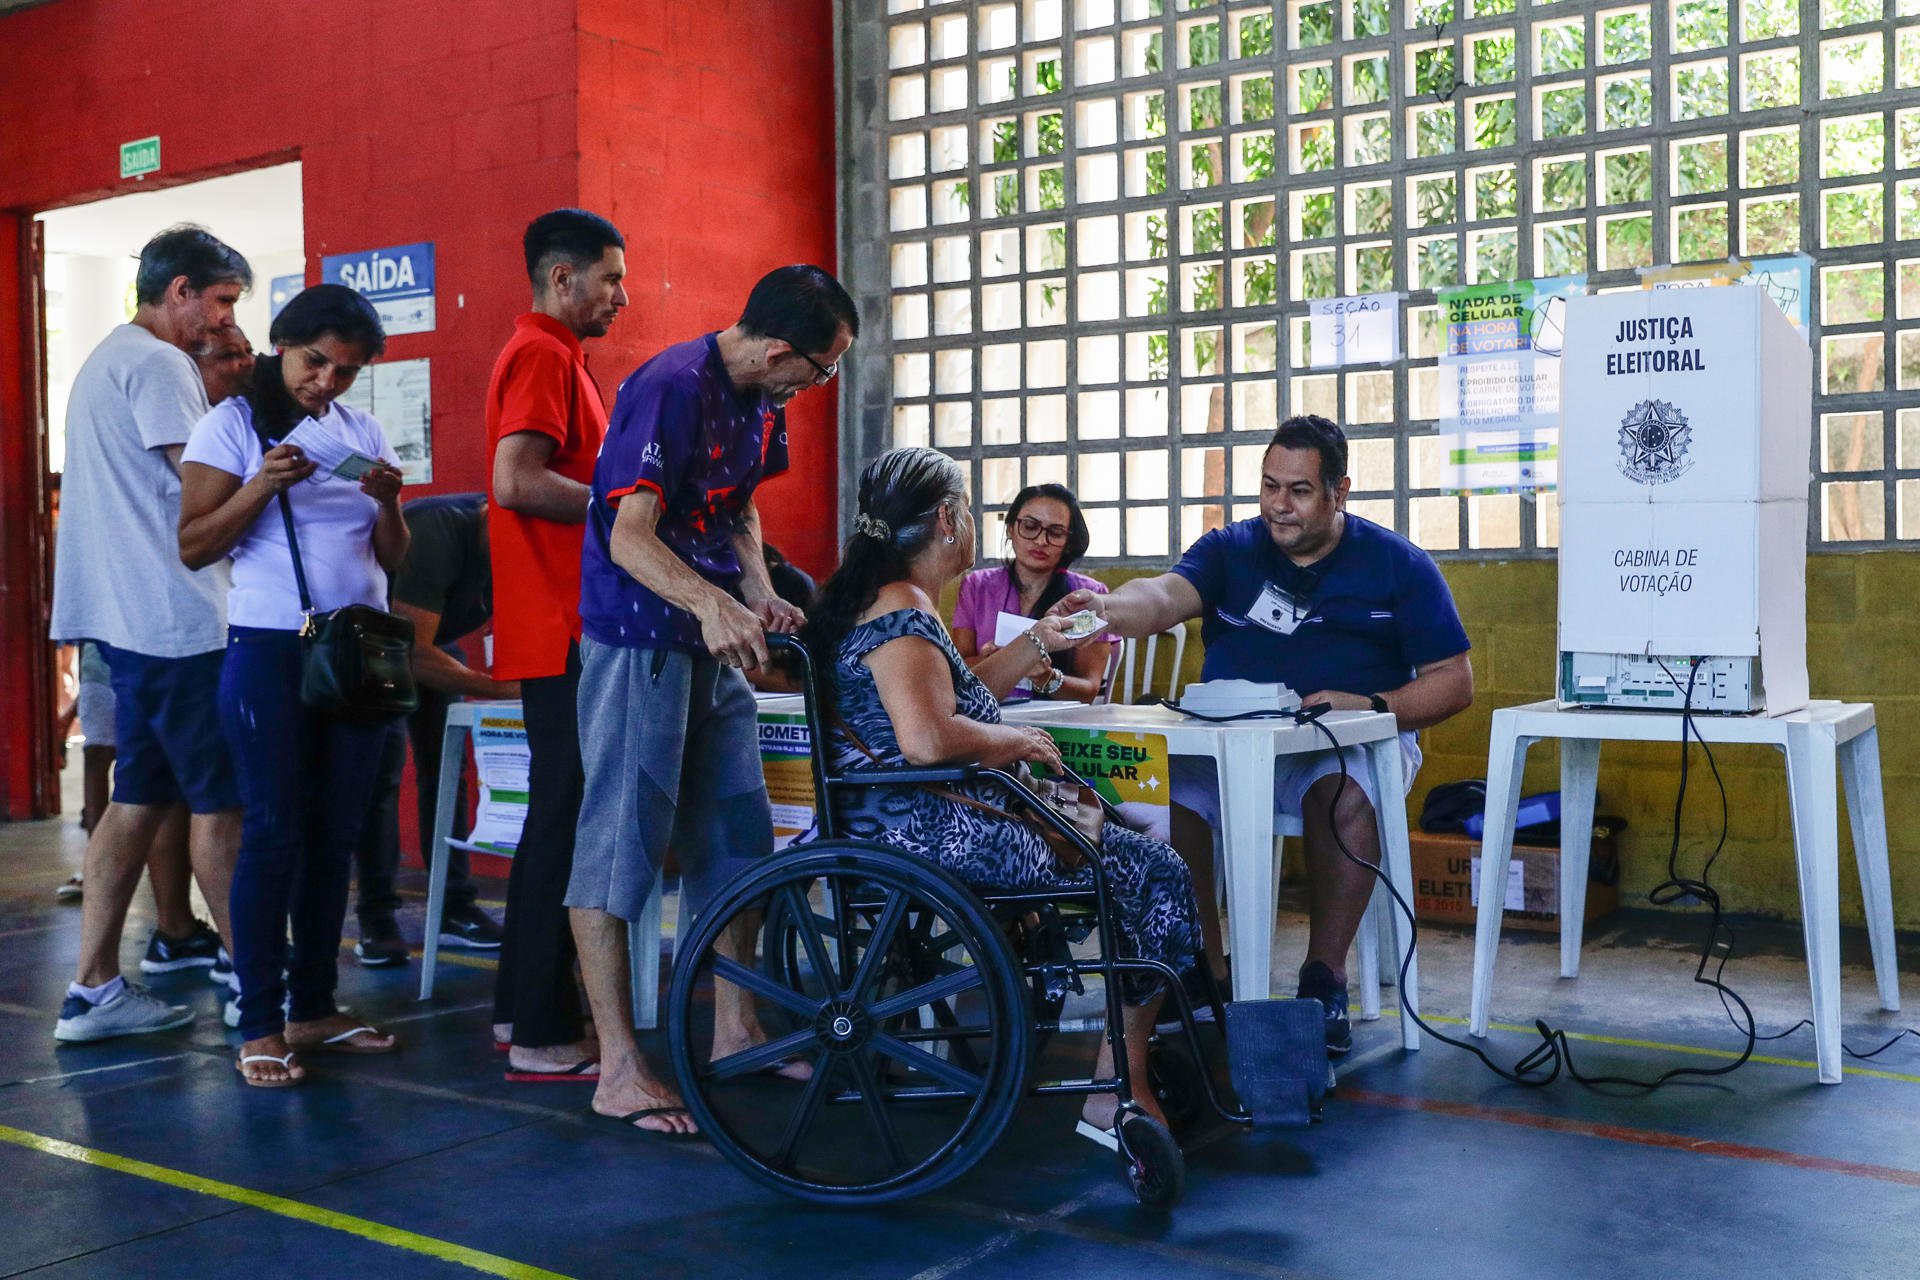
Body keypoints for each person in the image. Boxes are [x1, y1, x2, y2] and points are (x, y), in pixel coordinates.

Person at [799, 447, 1200, 1139]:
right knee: (1154, 868)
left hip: (896, 816)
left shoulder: (882, 602)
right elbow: (927, 739)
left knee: (1125, 841)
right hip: (926, 828)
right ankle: (1119, 1088)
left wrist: (1037, 643)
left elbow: (957, 700)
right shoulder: (903, 611)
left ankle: (1125, 1057)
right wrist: (1017, 743)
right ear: (950, 520)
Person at [1050, 414, 1474, 1054]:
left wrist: (1373, 702)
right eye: (1270, 486)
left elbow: (1455, 680)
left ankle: (1323, 978)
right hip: (1225, 748)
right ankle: (1202, 969)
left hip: (1339, 745)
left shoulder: (1399, 565)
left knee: (1343, 794)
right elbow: (1163, 597)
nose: (1280, 505)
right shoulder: (1229, 549)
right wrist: (1106, 608)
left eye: (1299, 490)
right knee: (1160, 796)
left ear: (1340, 491)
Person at [567, 264, 856, 1135]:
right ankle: (618, 1067)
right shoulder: (669, 389)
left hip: (715, 636)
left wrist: (757, 587)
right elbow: (628, 537)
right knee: (620, 844)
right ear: (778, 351)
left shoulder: (764, 400)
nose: (820, 384)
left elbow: (740, 512)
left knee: (737, 832)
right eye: (822, 368)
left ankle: (737, 1028)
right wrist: (711, 601)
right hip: (638, 639)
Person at [178, 283, 410, 1087]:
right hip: (272, 649)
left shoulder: (361, 429)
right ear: (284, 345)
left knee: (335, 835)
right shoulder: (229, 424)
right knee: (273, 831)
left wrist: (389, 503)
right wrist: (261, 485)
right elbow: (195, 545)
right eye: (317, 363)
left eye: (346, 372)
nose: (327, 383)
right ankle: (259, 1024)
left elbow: (393, 558)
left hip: (358, 653)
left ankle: (314, 1008)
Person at [49, 226, 250, 1043]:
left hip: (135, 621)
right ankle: (258, 985)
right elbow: (203, 488)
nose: (225, 320)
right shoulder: (161, 364)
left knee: (136, 799)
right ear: (180, 293)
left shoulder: (106, 358)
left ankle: (93, 989)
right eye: (223, 302)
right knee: (222, 806)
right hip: (177, 623)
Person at [486, 209, 627, 1081]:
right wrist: (624, 510)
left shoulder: (559, 359)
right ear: (561, 277)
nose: (622, 294)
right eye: (609, 277)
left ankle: (518, 1012)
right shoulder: (542, 354)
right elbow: (514, 480)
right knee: (564, 824)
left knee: (556, 821)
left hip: (561, 622)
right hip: (562, 626)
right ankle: (540, 1030)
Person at [353, 492, 515, 965]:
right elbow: (411, 650)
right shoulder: (439, 530)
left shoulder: (522, 545)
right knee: (381, 782)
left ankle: (454, 910)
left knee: (446, 775)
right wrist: (504, 690)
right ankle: (376, 919)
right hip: (377, 646)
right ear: (489, 515)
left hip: (433, 645)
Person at [951, 483, 1115, 703]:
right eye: (1029, 526)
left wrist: (1046, 677)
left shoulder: (1087, 596)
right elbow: (956, 669)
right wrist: (994, 660)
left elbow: (1088, 690)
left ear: (1068, 542)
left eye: (1055, 533)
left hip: (1058, 723)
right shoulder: (977, 586)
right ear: (1010, 528)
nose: (1040, 541)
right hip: (990, 716)